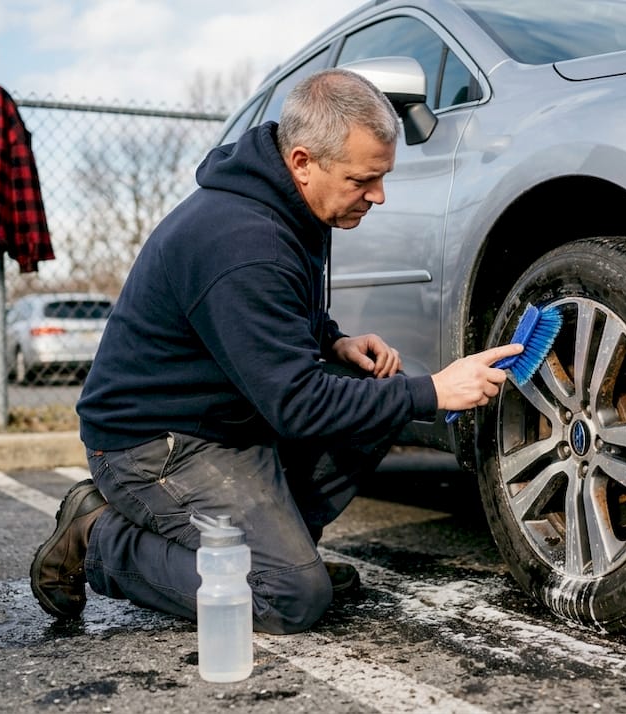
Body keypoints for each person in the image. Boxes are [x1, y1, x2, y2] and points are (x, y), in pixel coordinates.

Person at [29, 68, 522, 634]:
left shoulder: (294, 206)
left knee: (377, 387)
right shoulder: (241, 241)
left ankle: (278, 551)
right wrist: (433, 391)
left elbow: (280, 313)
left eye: (383, 177)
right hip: (154, 445)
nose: (378, 195)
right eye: (364, 179)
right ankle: (98, 535)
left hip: (228, 423)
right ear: (303, 162)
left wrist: (332, 339)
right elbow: (298, 405)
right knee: (289, 597)